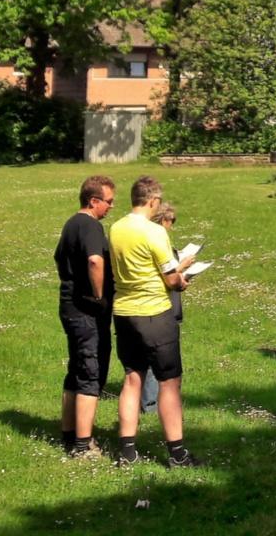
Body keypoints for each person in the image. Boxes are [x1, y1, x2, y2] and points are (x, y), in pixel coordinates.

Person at [109, 175, 200, 468]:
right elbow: (172, 278)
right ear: (152, 201)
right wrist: (182, 281)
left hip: (124, 312)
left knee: (132, 378)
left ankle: (127, 452)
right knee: (169, 383)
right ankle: (177, 453)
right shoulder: (155, 232)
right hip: (155, 314)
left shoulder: (115, 228)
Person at [53, 174, 115, 458]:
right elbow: (94, 260)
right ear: (94, 201)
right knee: (90, 372)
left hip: (68, 305)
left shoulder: (70, 224)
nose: (111, 207)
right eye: (109, 202)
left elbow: (59, 259)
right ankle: (82, 445)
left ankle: (68, 434)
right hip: (86, 311)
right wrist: (99, 295)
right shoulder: (90, 226)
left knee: (75, 371)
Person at [140, 203, 183, 413]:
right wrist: (181, 268)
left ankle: (160, 401)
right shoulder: (153, 241)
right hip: (157, 309)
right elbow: (164, 277)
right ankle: (151, 403)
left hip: (167, 308)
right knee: (153, 361)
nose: (171, 227)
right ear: (162, 221)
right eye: (170, 222)